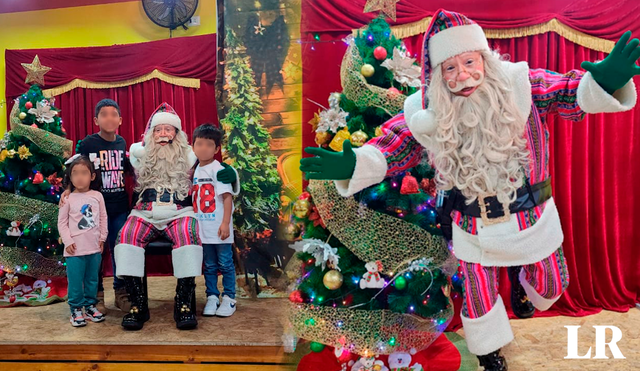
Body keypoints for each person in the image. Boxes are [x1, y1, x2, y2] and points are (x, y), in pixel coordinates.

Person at [300, 9, 639, 370]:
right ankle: (489, 353)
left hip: (533, 217)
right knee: (478, 293)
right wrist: (355, 164)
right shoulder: (426, 110)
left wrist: (600, 83)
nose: (462, 76)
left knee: (552, 286)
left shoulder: (521, 84)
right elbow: (394, 142)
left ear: (485, 59)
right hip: (473, 225)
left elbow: (565, 91)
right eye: (449, 68)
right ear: (439, 75)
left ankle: (523, 284)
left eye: (469, 62)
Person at [114, 103, 240, 331]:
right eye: (158, 130)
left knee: (189, 237)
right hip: (145, 210)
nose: (163, 135)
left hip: (180, 211)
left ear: (177, 134)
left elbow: (215, 168)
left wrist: (233, 176)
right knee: (126, 237)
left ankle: (183, 303)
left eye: (168, 130)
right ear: (151, 134)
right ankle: (138, 305)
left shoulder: (191, 157)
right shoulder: (139, 156)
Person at [61, 99, 133, 313]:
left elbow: (130, 169)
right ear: (96, 120)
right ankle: (97, 295)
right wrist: (67, 188)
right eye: (104, 114)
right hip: (92, 210)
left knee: (120, 250)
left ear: (120, 120)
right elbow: (75, 167)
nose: (109, 118)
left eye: (113, 114)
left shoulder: (122, 143)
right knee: (96, 252)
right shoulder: (88, 144)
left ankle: (121, 292)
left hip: (119, 207)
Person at [191, 124, 237, 317]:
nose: (203, 148)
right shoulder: (194, 169)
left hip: (219, 227)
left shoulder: (219, 170)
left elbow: (227, 197)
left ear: (217, 149)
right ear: (192, 146)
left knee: (225, 263)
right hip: (203, 229)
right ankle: (212, 296)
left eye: (209, 145)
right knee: (208, 265)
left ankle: (229, 297)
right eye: (199, 144)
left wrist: (225, 223)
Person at [58, 155, 108, 327]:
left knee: (92, 279)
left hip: (94, 248)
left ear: (92, 176)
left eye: (84, 173)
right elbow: (62, 222)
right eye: (75, 173)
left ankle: (90, 305)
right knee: (75, 280)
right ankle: (76, 309)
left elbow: (102, 217)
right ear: (70, 177)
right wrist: (67, 241)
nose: (80, 177)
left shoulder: (97, 196)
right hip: (75, 250)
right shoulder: (67, 198)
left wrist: (102, 238)